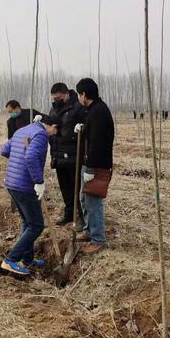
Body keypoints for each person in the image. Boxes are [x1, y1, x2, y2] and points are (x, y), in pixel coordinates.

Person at [0, 115, 60, 276]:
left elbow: (5, 150)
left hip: (12, 183)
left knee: (28, 222)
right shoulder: (41, 135)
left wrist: (17, 161)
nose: (54, 134)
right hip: (25, 186)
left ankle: (26, 259)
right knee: (37, 225)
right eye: (55, 131)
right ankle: (11, 260)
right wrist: (38, 181)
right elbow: (31, 156)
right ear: (52, 126)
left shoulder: (24, 130)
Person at [74, 78, 114, 255]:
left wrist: (90, 168)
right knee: (85, 199)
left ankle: (98, 239)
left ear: (84, 94)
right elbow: (93, 134)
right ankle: (90, 231)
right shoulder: (93, 110)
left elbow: (98, 143)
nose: (78, 98)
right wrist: (84, 128)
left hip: (96, 166)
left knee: (93, 201)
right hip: (89, 163)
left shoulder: (99, 112)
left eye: (78, 94)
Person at [48, 83, 87, 226]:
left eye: (58, 97)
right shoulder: (53, 109)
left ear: (66, 94)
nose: (56, 100)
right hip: (58, 155)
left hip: (73, 156)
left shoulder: (78, 107)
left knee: (78, 189)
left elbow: (85, 129)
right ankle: (69, 215)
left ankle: (83, 219)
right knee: (65, 189)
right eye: (54, 98)